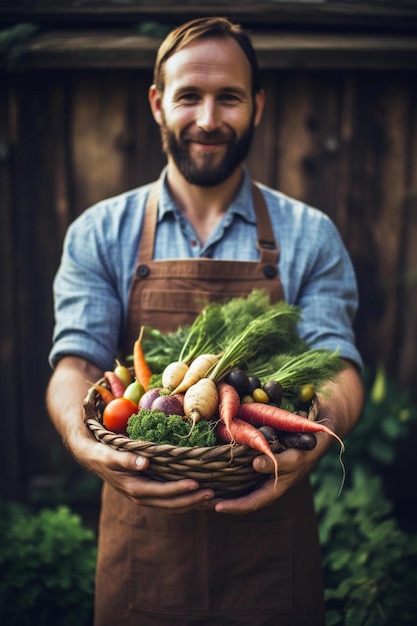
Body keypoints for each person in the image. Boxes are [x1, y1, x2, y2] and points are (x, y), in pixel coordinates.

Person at [46, 16, 364, 626]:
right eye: (189, 96)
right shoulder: (99, 232)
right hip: (140, 554)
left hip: (274, 565)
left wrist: (319, 434)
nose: (209, 119)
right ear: (157, 103)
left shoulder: (310, 234)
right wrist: (81, 440)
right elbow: (76, 363)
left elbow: (338, 364)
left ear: (258, 106)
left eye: (230, 97)